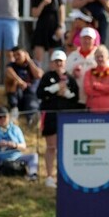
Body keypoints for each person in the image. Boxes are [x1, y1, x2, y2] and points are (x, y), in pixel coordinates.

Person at [36, 49, 78, 188]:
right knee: (51, 146)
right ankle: (49, 176)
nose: (59, 64)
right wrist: (55, 88)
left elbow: (75, 98)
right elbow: (40, 93)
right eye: (56, 61)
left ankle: (63, 175)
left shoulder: (70, 79)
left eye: (61, 61)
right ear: (52, 63)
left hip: (67, 116)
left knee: (64, 147)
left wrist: (65, 92)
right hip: (50, 115)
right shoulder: (47, 77)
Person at [0, 106, 39, 183]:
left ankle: (33, 174)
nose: (2, 119)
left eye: (4, 117)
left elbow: (24, 147)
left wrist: (14, 145)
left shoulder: (16, 129)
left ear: (8, 117)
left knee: (34, 155)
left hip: (16, 158)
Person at [30, 0, 65, 64]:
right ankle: (38, 76)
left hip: (54, 29)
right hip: (41, 29)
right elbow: (34, 14)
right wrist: (42, 4)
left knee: (54, 57)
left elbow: (62, 12)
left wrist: (60, 27)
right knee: (38, 57)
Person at [5, 47, 43, 123]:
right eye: (14, 55)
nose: (16, 57)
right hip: (18, 94)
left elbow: (39, 75)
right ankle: (14, 109)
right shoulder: (12, 65)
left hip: (31, 94)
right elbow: (8, 71)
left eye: (18, 54)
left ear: (25, 54)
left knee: (31, 102)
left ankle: (31, 119)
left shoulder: (34, 63)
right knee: (12, 83)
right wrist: (20, 81)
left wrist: (29, 61)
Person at [65, 27, 99, 107]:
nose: (86, 41)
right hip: (76, 99)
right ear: (80, 39)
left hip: (95, 98)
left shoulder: (100, 54)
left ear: (94, 40)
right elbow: (65, 74)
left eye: (89, 38)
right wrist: (73, 73)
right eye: (84, 38)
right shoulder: (72, 56)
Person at [83, 45, 109, 113]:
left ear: (107, 57)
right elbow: (87, 90)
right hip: (93, 108)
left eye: (102, 56)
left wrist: (97, 86)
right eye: (97, 57)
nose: (100, 59)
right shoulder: (89, 73)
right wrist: (106, 92)